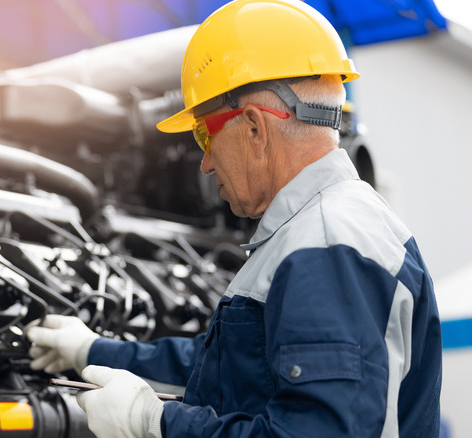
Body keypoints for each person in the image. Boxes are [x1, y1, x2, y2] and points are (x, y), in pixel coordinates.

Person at [26, 0, 443, 437]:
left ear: (254, 127)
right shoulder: (323, 232)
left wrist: (153, 422)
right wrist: (91, 350)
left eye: (205, 135)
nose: (205, 163)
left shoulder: (325, 245)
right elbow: (230, 365)